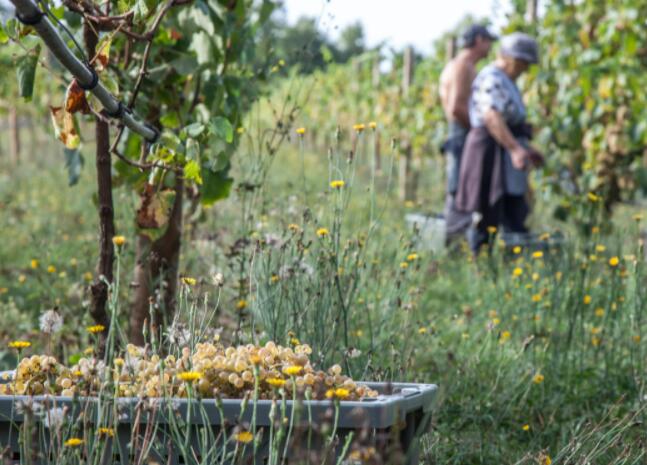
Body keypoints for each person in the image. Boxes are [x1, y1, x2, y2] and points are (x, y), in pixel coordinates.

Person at [454, 32, 544, 254]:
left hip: (500, 149)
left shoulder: (506, 80)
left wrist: (525, 148)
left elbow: (507, 120)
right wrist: (515, 149)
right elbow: (492, 116)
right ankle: (482, 264)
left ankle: (508, 262)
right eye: (522, 64)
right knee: (488, 209)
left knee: (512, 208)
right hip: (489, 151)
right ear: (509, 58)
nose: (524, 70)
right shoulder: (492, 78)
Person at [440, 24, 497, 242]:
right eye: (488, 41)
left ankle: (456, 242)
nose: (490, 46)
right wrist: (477, 130)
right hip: (462, 133)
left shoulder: (460, 64)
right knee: (460, 188)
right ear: (479, 40)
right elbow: (456, 107)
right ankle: (454, 244)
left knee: (461, 187)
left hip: (460, 132)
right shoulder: (463, 66)